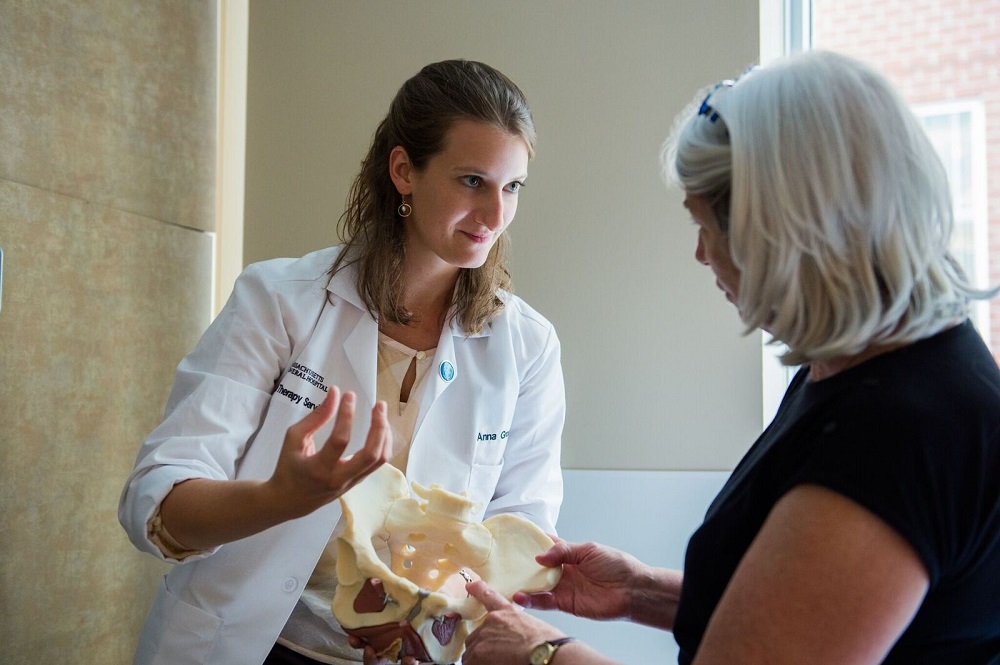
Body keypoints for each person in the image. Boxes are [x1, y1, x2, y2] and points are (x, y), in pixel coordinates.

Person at [461, 50, 1000, 665]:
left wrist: (543, 654)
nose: (700, 254)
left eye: (707, 226)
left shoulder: (903, 432)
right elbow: (803, 609)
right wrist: (642, 591)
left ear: (781, 231)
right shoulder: (852, 369)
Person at [118, 59, 566, 665]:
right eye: (471, 181)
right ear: (404, 170)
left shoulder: (527, 347)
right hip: (246, 644)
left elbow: (518, 536)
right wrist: (282, 495)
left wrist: (422, 609)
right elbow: (157, 502)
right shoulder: (278, 300)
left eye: (511, 187)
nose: (494, 215)